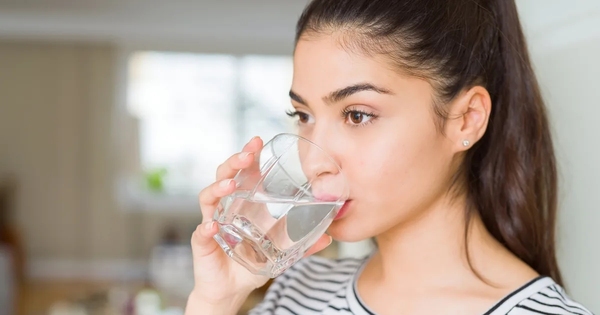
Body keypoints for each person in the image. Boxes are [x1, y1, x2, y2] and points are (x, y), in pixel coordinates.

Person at [185, 0, 595, 314]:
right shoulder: (299, 289)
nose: (313, 163)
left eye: (357, 115)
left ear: (466, 120)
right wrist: (215, 301)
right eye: (304, 116)